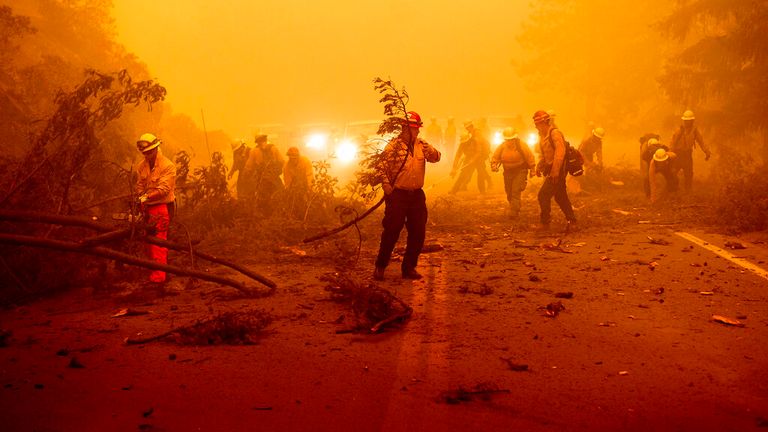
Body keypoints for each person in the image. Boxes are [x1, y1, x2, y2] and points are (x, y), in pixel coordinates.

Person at [374, 111, 441, 281]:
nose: (416, 132)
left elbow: (436, 158)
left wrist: (431, 151)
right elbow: (380, 167)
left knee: (418, 232)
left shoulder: (421, 145)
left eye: (417, 128)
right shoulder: (393, 147)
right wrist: (386, 185)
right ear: (404, 128)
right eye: (413, 128)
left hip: (416, 195)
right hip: (398, 195)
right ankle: (380, 266)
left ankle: (409, 267)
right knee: (392, 231)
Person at [135, 133, 176, 283]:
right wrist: (140, 197)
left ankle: (159, 279)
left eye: (149, 152)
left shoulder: (168, 166)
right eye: (144, 153)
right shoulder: (142, 166)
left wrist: (147, 197)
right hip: (147, 208)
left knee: (159, 243)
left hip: (162, 207)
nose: (147, 155)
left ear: (156, 149)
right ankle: (156, 274)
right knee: (148, 245)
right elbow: (139, 185)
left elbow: (164, 189)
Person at [532, 110, 577, 230]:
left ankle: (545, 223)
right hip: (552, 168)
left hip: (559, 169)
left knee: (543, 195)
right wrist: (539, 165)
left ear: (543, 123)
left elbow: (560, 153)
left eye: (537, 124)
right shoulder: (542, 136)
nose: (536, 127)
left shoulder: (555, 133)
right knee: (560, 196)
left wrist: (555, 171)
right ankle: (572, 221)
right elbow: (545, 154)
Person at [491, 127, 535, 219]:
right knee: (509, 192)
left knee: (515, 191)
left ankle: (514, 212)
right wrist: (494, 165)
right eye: (507, 139)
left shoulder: (521, 145)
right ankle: (515, 207)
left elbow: (529, 157)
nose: (509, 141)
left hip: (520, 171)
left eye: (511, 139)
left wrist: (532, 169)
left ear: (515, 138)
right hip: (508, 172)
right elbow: (495, 157)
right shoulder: (502, 146)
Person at [669, 110, 710, 193]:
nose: (687, 122)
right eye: (686, 121)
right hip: (677, 154)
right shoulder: (679, 131)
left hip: (687, 155)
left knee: (689, 174)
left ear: (692, 121)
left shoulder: (694, 130)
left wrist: (706, 151)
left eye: (689, 121)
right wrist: (670, 155)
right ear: (684, 121)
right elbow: (672, 143)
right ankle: (671, 190)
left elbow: (701, 141)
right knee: (672, 173)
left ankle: (688, 192)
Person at [243, 134, 284, 214]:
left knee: (262, 199)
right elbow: (282, 161)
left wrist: (245, 176)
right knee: (279, 195)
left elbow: (249, 166)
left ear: (257, 142)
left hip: (262, 179)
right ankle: (278, 213)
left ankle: (266, 214)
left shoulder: (254, 151)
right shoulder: (273, 148)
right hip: (273, 179)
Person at [449, 121, 489, 194]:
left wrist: (472, 160)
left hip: (479, 158)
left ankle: (482, 191)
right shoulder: (462, 143)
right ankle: (454, 190)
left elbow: (479, 152)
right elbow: (457, 155)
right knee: (463, 174)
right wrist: (454, 168)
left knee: (481, 174)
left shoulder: (476, 140)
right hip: (469, 157)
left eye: (468, 127)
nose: (464, 143)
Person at [283, 146, 314, 217]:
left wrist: (310, 188)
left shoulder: (305, 161)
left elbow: (309, 174)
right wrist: (288, 191)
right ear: (289, 157)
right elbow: (287, 180)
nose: (293, 159)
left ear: (298, 156)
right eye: (291, 157)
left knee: (310, 200)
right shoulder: (287, 166)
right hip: (295, 185)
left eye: (295, 157)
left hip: (306, 182)